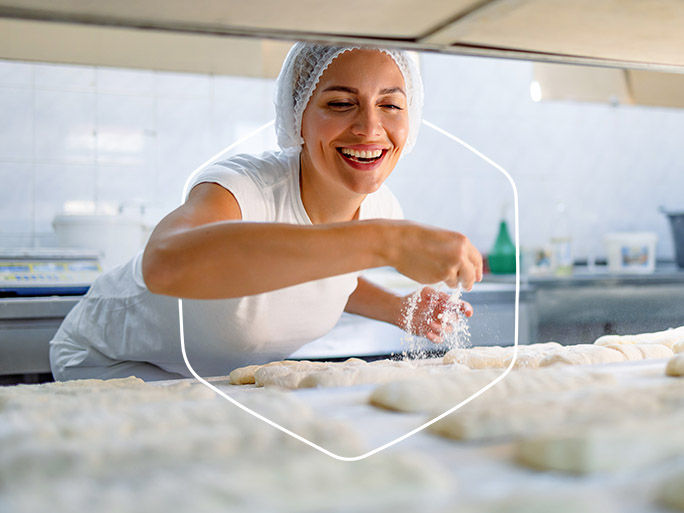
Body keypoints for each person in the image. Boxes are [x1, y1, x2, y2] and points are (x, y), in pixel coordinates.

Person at [49, 43, 483, 382]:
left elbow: (313, 275)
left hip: (215, 380)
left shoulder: (382, 207)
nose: (370, 128)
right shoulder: (243, 187)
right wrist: (386, 242)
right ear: (298, 116)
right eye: (338, 103)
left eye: (390, 104)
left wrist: (398, 308)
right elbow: (164, 263)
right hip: (112, 364)